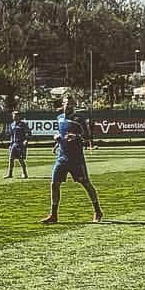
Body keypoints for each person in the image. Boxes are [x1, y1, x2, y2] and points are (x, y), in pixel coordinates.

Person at [41, 95, 102, 224]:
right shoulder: (59, 118)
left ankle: (97, 210)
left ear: (74, 104)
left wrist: (76, 136)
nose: (67, 106)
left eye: (69, 103)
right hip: (61, 157)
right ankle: (53, 215)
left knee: (85, 183)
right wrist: (56, 142)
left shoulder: (79, 119)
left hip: (76, 159)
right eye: (65, 103)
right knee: (54, 183)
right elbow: (61, 134)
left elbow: (87, 137)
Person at [6, 110, 30, 179]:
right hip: (13, 144)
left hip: (20, 144)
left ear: (19, 116)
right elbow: (11, 135)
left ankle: (25, 173)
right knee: (11, 159)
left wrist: (26, 140)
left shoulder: (23, 124)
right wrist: (10, 144)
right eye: (13, 115)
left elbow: (29, 133)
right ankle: (10, 174)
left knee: (20, 159)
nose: (14, 117)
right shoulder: (12, 124)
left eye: (16, 115)